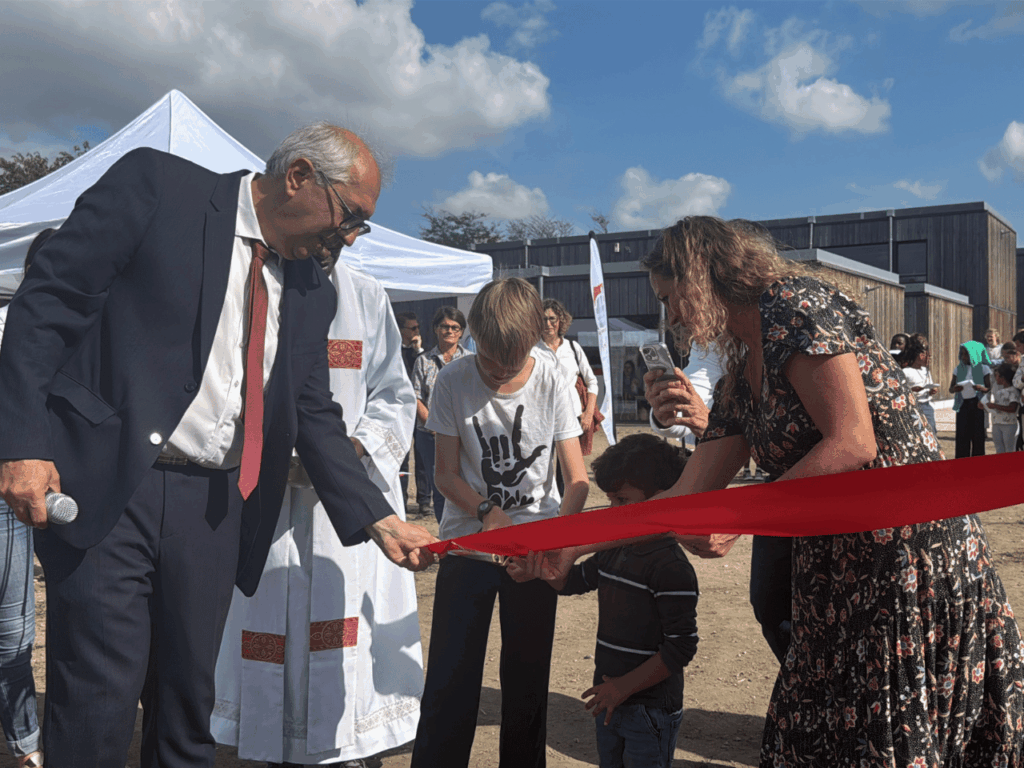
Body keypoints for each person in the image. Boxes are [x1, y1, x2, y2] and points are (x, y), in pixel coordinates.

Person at [0, 123, 437, 768]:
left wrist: (378, 516)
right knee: (99, 700)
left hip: (216, 506)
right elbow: (48, 304)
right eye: (351, 217)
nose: (348, 237)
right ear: (298, 178)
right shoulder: (157, 188)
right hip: (113, 486)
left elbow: (313, 412)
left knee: (188, 707)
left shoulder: (314, 287)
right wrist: (21, 443)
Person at [637, 217, 1022, 766]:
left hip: (904, 558)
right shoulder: (741, 368)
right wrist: (566, 546)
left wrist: (741, 520)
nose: (671, 316)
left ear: (704, 275)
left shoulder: (795, 305)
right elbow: (688, 490)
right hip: (832, 571)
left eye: (672, 298)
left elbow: (852, 443)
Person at [212, 260, 421, 766]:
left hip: (347, 504)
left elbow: (395, 394)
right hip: (266, 501)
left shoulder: (366, 295)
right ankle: (264, 742)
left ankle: (344, 743)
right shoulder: (242, 284)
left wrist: (354, 450)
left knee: (341, 623)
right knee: (261, 618)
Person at [409, 278, 589, 768]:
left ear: (533, 338)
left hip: (532, 553)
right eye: (489, 359)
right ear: (474, 337)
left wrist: (553, 543)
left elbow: (576, 480)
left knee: (528, 682)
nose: (498, 371)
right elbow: (444, 473)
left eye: (510, 363)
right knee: (450, 678)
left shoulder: (551, 377)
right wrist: (488, 512)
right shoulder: (452, 379)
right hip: (469, 547)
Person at [530, 433, 697, 768]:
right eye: (609, 500)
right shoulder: (614, 548)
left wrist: (624, 687)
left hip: (650, 708)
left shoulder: (671, 568)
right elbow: (579, 580)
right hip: (609, 701)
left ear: (663, 497)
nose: (612, 511)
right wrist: (551, 573)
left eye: (622, 500)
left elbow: (680, 648)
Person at [0, 228, 53, 768]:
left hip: (28, 495)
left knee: (14, 630)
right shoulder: (9, 323)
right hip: (10, 492)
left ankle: (28, 745)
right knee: (12, 628)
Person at [410, 306, 468, 523]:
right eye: (445, 326)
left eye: (455, 327)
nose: (450, 331)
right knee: (441, 485)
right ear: (435, 329)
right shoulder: (423, 361)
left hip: (464, 435)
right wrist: (434, 424)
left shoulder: (471, 361)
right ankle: (446, 535)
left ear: (461, 332)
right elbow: (415, 396)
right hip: (430, 435)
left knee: (465, 484)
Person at [539, 298, 600, 457]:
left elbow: (592, 382)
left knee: (568, 471)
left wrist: (588, 413)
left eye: (552, 318)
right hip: (542, 419)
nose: (548, 323)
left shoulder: (573, 348)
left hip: (572, 418)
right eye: (543, 319)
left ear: (561, 320)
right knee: (543, 469)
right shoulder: (532, 351)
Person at [395, 311, 426, 510]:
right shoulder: (394, 350)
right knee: (402, 457)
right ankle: (403, 499)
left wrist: (419, 350)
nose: (416, 331)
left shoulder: (420, 354)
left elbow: (424, 374)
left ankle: (424, 500)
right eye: (412, 328)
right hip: (400, 410)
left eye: (417, 328)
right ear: (402, 330)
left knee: (422, 456)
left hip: (419, 409)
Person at [950, 340, 991, 458]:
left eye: (966, 354)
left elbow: (989, 388)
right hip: (963, 405)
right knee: (962, 436)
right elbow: (950, 388)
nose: (963, 357)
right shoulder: (958, 369)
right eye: (962, 354)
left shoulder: (984, 369)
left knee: (978, 437)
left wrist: (981, 388)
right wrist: (955, 388)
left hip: (978, 405)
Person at [899, 335, 940, 438]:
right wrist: (912, 390)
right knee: (917, 433)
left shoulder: (925, 371)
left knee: (931, 432)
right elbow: (900, 391)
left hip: (927, 406)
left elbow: (929, 385)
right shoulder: (906, 372)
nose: (928, 359)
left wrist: (931, 391)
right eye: (926, 356)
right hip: (914, 406)